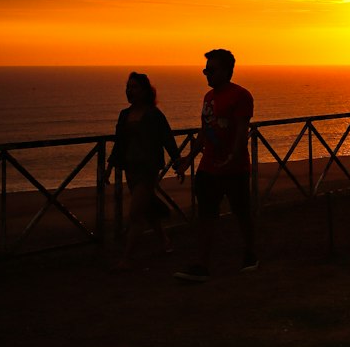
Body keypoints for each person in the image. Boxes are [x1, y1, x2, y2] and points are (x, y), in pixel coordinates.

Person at [174, 49, 257, 282]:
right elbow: (205, 130)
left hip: (235, 169)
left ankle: (250, 253)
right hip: (208, 167)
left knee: (242, 213)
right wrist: (189, 158)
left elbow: (242, 129)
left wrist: (233, 155)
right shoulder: (208, 97)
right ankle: (202, 264)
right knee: (206, 216)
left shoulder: (241, 96)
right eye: (205, 70)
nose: (207, 74)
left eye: (211, 70)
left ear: (227, 71)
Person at [106, 72, 185, 267]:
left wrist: (178, 163)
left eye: (134, 87)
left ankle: (126, 258)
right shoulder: (125, 114)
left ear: (144, 90)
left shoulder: (153, 115)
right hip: (130, 168)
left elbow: (167, 138)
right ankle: (165, 241)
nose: (130, 91)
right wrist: (109, 167)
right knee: (147, 209)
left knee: (135, 214)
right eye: (128, 87)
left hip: (148, 169)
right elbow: (119, 143)